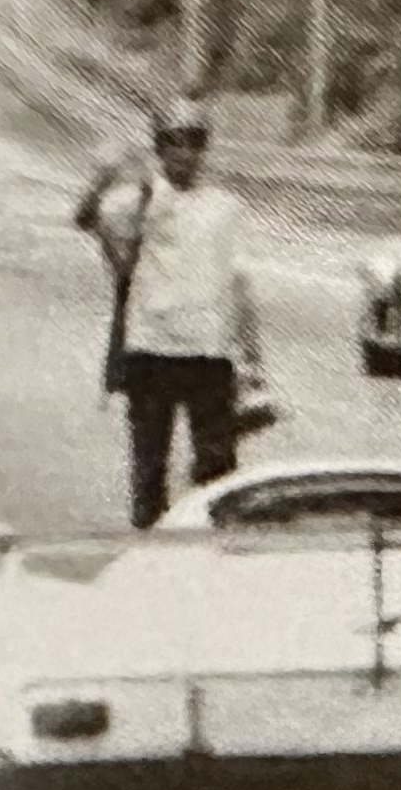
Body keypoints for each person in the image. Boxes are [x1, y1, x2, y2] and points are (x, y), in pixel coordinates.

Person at [75, 96, 268, 528]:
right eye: (174, 142)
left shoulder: (225, 207)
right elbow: (88, 219)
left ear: (205, 149)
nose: (185, 153)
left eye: (194, 142)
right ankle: (150, 554)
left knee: (218, 475)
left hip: (209, 353)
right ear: (159, 147)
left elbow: (238, 284)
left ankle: (209, 557)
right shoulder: (141, 197)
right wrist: (102, 179)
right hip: (152, 351)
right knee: (149, 474)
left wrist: (254, 361)